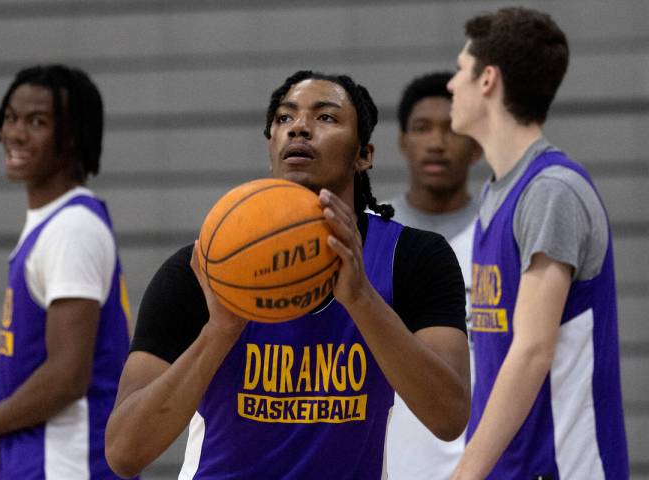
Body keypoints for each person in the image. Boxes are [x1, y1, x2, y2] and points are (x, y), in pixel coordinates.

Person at [105, 70, 471, 479]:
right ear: (271, 147)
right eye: (284, 118)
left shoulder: (413, 258)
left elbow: (449, 417)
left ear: (363, 155)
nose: (299, 127)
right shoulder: (201, 268)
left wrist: (362, 299)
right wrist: (220, 330)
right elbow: (124, 452)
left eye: (326, 117)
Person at [446, 7, 629, 479]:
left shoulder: (551, 191)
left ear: (488, 79)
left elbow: (532, 350)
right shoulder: (497, 190)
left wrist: (465, 473)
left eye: (460, 70)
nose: (451, 85)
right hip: (510, 467)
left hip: (561, 466)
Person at [0, 65, 133, 479]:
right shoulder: (53, 224)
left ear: (72, 136)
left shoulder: (72, 229)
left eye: (37, 122)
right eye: (12, 118)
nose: (16, 133)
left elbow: (68, 376)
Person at [385, 72, 481, 480]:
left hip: (483, 456)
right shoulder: (366, 233)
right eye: (423, 129)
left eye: (453, 129)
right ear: (403, 142)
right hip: (389, 458)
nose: (437, 143)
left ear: (476, 145)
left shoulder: (502, 232)